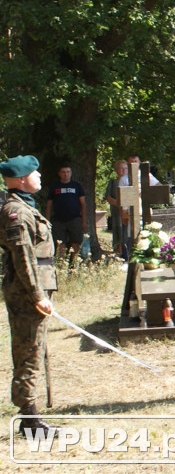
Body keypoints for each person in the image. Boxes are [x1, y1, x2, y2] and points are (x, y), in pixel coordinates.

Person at [0, 155, 58, 437]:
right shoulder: (17, 212)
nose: (39, 177)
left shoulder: (25, 207)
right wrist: (37, 295)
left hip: (33, 291)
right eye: (35, 173)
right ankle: (31, 422)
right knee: (28, 353)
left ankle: (32, 417)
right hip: (26, 294)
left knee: (34, 350)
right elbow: (23, 258)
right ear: (22, 178)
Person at [45, 165, 87, 264]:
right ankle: (61, 265)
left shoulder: (77, 186)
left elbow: (83, 204)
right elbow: (49, 205)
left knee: (75, 243)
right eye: (63, 172)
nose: (66, 174)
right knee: (60, 244)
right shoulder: (55, 187)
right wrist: (47, 221)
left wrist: (84, 221)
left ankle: (74, 265)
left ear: (71, 173)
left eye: (68, 172)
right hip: (58, 220)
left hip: (75, 219)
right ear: (59, 174)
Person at [104, 160, 129, 259]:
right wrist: (119, 204)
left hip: (127, 210)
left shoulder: (130, 182)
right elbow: (108, 197)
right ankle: (118, 249)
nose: (123, 170)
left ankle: (127, 250)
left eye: (125, 168)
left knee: (127, 229)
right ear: (116, 170)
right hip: (116, 210)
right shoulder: (113, 182)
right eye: (121, 168)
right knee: (118, 228)